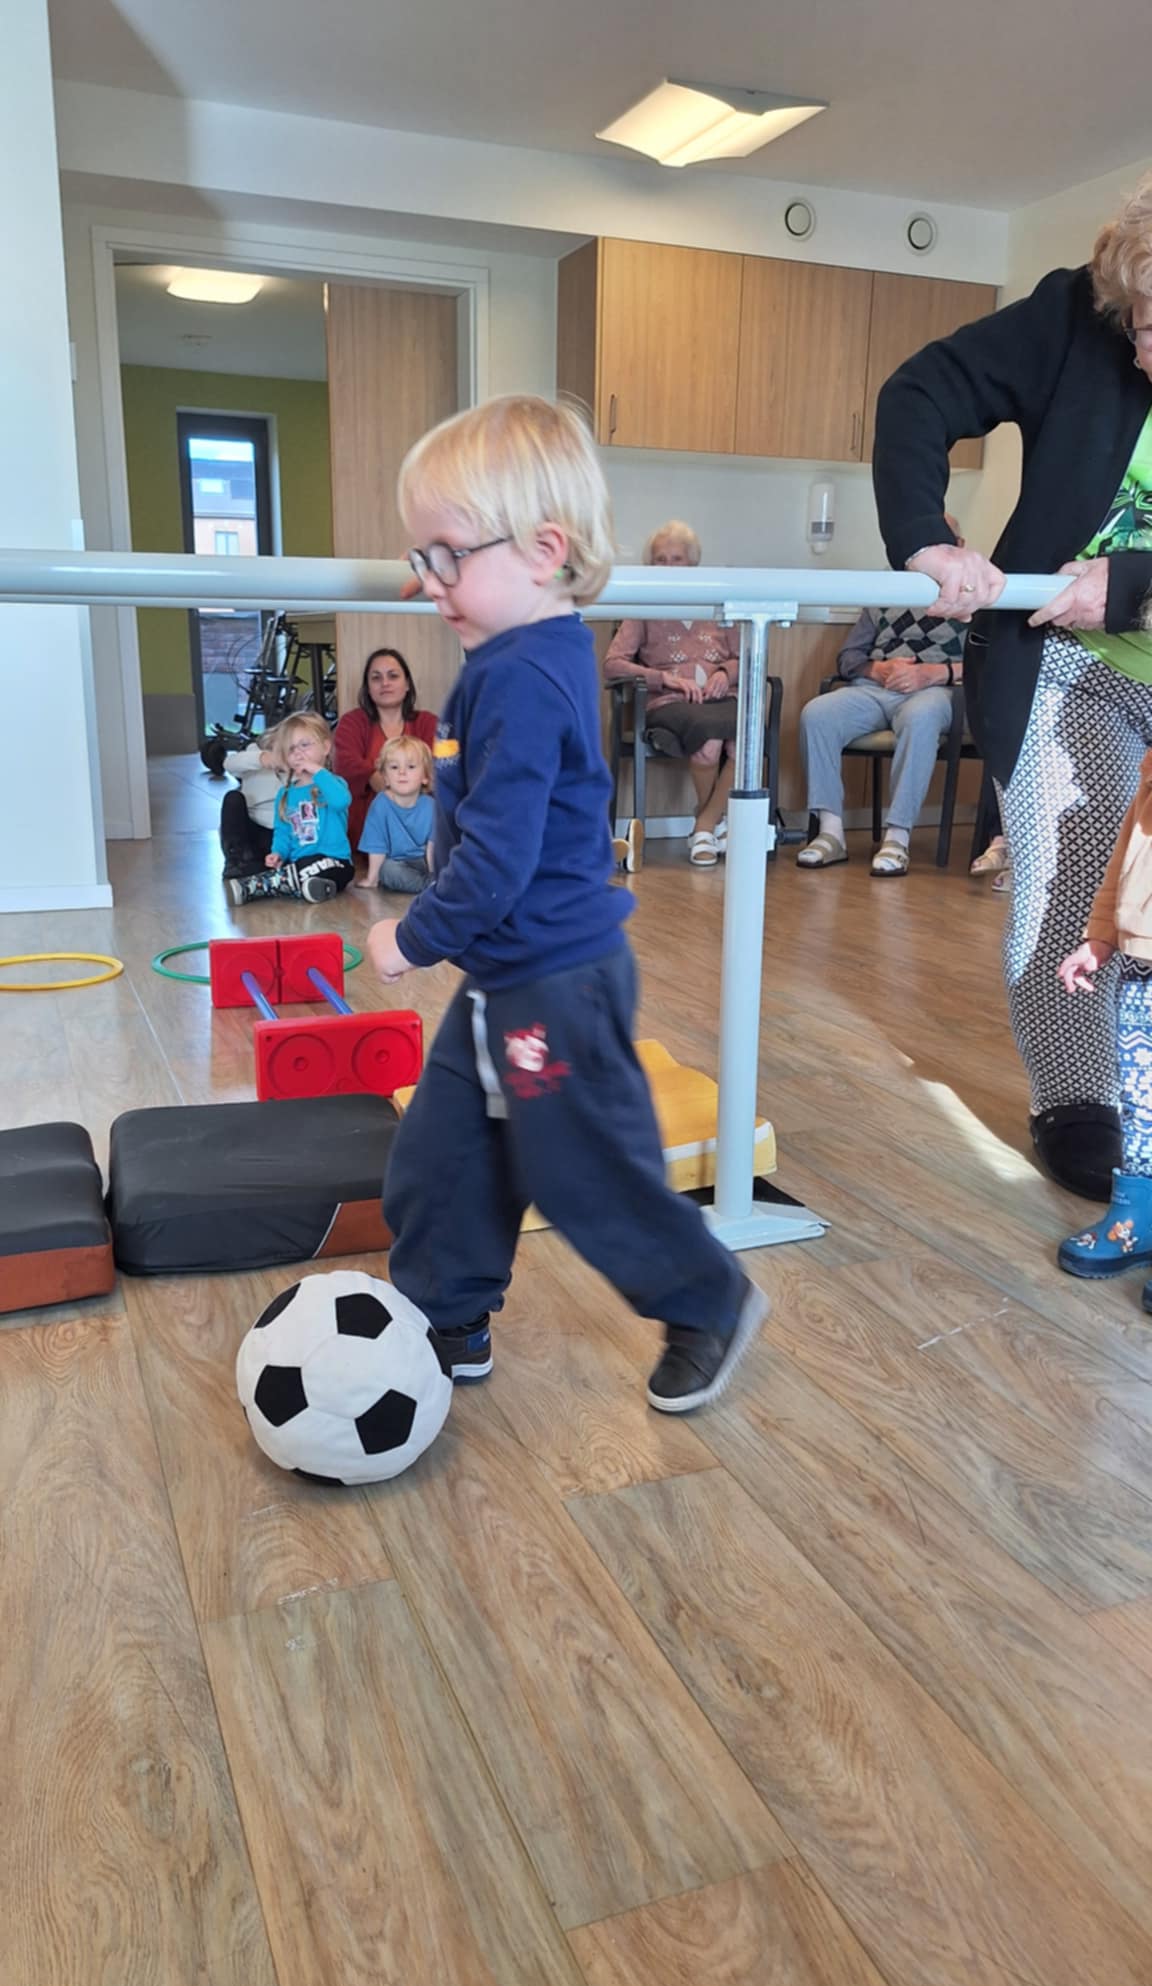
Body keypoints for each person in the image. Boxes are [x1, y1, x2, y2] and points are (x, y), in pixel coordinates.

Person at [366, 394, 765, 1413]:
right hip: (505, 974)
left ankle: (708, 1299)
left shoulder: (524, 679)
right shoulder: (512, 654)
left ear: (544, 550)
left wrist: (409, 937)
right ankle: (446, 1314)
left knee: (580, 1167)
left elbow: (496, 862)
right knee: (443, 1153)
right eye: (421, 557)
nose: (430, 582)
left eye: (449, 555)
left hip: (551, 980)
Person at [872, 170, 1152, 1198]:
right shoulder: (1077, 318)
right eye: (1141, 322)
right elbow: (920, 393)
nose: (1144, 351)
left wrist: (1133, 583)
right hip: (1067, 663)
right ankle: (1077, 1100)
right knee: (1074, 869)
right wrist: (925, 537)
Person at [796, 538, 968, 876]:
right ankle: (830, 832)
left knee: (921, 716)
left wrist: (932, 673)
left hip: (937, 690)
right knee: (817, 714)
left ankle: (897, 837)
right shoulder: (886, 589)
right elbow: (848, 658)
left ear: (958, 547)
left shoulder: (971, 593)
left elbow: (987, 663)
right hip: (876, 688)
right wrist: (878, 669)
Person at [1056, 747, 1152, 1288]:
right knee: (1140, 1099)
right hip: (1142, 962)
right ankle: (1139, 1210)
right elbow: (1125, 856)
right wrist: (1100, 937)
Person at [604, 522, 742, 867]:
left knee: (744, 740)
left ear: (692, 564)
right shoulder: (643, 607)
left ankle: (704, 823)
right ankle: (712, 825)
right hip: (670, 703)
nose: (668, 567)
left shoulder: (717, 604)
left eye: (676, 559)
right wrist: (662, 678)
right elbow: (613, 664)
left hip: (721, 698)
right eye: (660, 560)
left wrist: (725, 673)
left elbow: (747, 658)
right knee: (710, 741)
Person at [226, 711, 354, 904]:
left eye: (305, 745)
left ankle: (264, 886)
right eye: (291, 749)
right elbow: (283, 831)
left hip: (336, 862)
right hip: (299, 863)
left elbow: (341, 801)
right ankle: (308, 887)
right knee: (299, 867)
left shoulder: (334, 783)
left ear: (326, 747)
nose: (298, 753)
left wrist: (317, 771)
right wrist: (278, 853)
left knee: (313, 866)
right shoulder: (286, 794)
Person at [332, 647, 438, 852]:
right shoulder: (352, 722)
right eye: (376, 678)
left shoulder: (428, 722)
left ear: (407, 684)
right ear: (368, 688)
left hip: (422, 836)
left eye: (393, 676)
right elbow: (345, 764)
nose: (385, 683)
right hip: (367, 834)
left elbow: (439, 769)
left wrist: (394, 783)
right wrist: (372, 776)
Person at [355, 735, 435, 894]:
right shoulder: (380, 805)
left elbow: (434, 847)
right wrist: (372, 878)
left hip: (426, 861)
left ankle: (437, 883)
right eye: (394, 767)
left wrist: (435, 872)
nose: (402, 772)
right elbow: (377, 845)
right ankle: (433, 887)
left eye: (411, 767)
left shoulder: (432, 806)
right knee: (387, 870)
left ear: (425, 777)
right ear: (385, 777)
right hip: (398, 863)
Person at [219, 731, 280, 880]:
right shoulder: (252, 755)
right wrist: (261, 758)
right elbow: (229, 764)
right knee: (233, 799)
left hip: (280, 831)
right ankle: (236, 860)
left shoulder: (298, 760)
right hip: (252, 827)